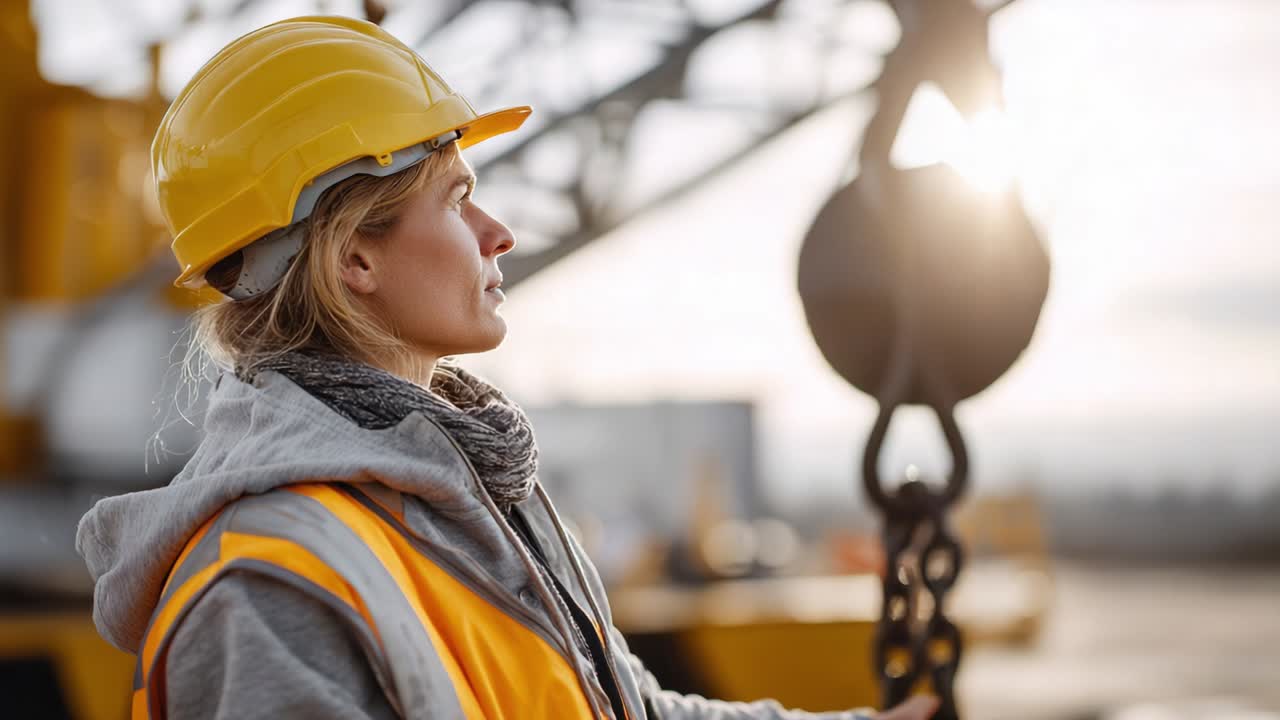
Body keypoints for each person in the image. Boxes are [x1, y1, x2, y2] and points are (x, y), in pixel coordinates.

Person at [76, 15, 939, 720]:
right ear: (353, 259)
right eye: (457, 198)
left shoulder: (470, 493)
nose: (499, 233)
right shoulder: (271, 590)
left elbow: (626, 710)